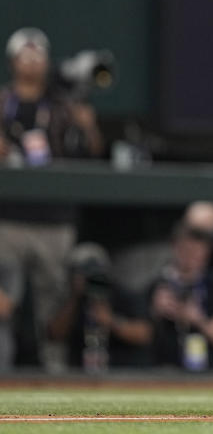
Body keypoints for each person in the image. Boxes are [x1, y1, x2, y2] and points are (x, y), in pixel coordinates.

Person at [0, 27, 103, 371]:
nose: (31, 63)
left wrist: (87, 127)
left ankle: (55, 375)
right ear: (13, 62)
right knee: (4, 302)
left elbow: (91, 155)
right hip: (9, 217)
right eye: (24, 56)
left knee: (55, 304)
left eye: (37, 56)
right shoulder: (2, 102)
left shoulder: (61, 107)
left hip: (54, 218)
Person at [46, 242, 153, 371]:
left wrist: (111, 321)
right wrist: (75, 297)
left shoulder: (122, 295)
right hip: (80, 375)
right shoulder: (72, 301)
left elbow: (145, 334)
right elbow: (54, 334)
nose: (91, 280)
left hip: (121, 373)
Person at [148, 220, 213, 370]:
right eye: (186, 250)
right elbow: (140, 335)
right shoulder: (159, 285)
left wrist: (197, 319)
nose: (191, 256)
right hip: (165, 370)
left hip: (211, 370)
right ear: (175, 248)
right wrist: (154, 312)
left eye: (198, 250)